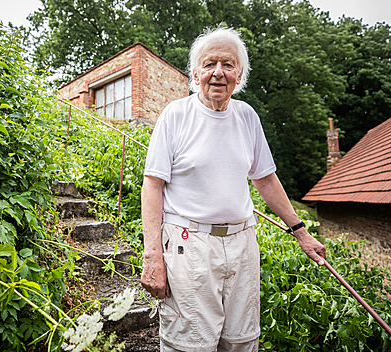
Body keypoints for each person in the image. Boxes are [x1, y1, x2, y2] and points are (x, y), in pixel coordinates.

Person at [140, 26, 326, 352]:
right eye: (210, 64)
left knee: (241, 341)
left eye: (228, 65)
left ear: (239, 75)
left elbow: (265, 179)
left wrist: (300, 231)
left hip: (242, 245)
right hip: (189, 246)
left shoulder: (247, 117)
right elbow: (153, 185)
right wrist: (153, 254)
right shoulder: (175, 116)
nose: (218, 73)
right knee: (190, 345)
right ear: (195, 73)